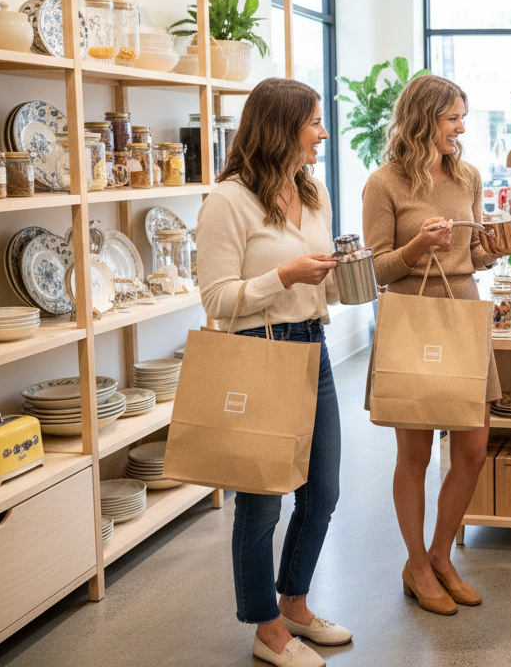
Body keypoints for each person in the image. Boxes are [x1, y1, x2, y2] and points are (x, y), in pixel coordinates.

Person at [197, 78, 350, 667]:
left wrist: (349, 276)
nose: (322, 132)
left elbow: (326, 281)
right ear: (282, 127)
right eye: (313, 121)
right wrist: (284, 277)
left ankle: (295, 602)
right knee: (261, 505)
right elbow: (215, 297)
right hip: (259, 353)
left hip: (314, 347)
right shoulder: (229, 200)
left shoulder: (312, 193)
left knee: (324, 489)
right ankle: (264, 626)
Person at [362, 74, 499, 616]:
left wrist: (500, 246)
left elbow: (476, 252)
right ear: (423, 120)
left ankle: (441, 556)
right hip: (411, 316)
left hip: (464, 311)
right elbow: (375, 269)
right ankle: (416, 564)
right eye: (451, 118)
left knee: (473, 447)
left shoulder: (468, 176)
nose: (461, 127)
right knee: (415, 454)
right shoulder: (385, 183)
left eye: (463, 117)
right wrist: (418, 245)